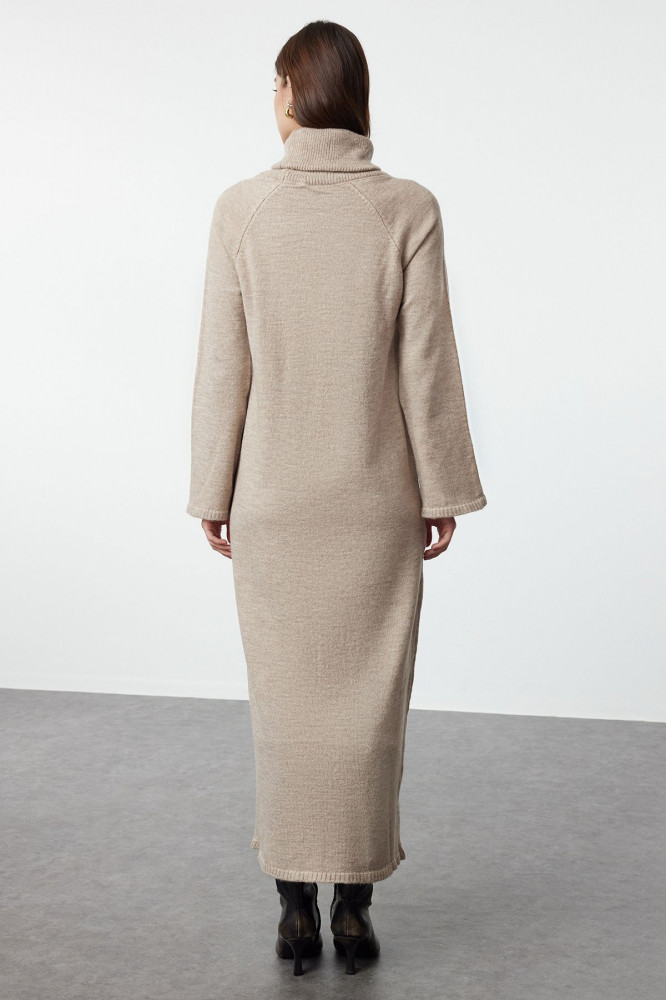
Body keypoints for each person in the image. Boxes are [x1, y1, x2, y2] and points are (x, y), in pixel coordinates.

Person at [186, 20, 487, 977]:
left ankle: (293, 911)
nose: (271, 100)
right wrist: (442, 487)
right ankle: (353, 910)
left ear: (293, 91)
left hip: (273, 503)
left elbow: (223, 366)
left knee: (284, 714)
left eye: (275, 84)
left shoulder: (243, 210)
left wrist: (212, 487)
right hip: (374, 503)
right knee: (368, 712)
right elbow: (425, 365)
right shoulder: (407, 209)